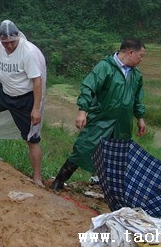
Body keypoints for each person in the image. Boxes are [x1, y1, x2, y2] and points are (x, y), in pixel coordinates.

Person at [51, 38, 147, 191]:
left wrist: (140, 118)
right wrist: (83, 111)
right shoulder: (105, 67)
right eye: (140, 55)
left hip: (122, 123)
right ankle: (59, 181)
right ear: (130, 52)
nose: (141, 59)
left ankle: (112, 191)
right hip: (101, 119)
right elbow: (89, 87)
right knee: (84, 148)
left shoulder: (136, 75)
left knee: (118, 156)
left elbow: (137, 98)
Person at [0, 20, 46, 186]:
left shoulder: (27, 52)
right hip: (4, 92)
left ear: (17, 37)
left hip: (24, 98)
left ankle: (37, 178)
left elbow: (37, 81)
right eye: (5, 43)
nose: (8, 46)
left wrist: (36, 108)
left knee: (32, 139)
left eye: (11, 42)